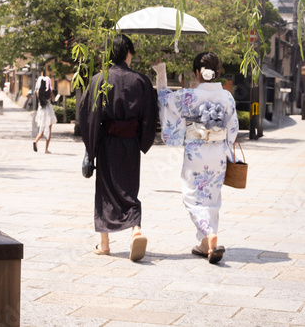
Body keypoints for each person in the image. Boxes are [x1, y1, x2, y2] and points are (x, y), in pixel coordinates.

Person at [153, 52, 239, 264]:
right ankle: (206, 244)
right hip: (218, 152)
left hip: (196, 152)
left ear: (196, 73)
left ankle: (209, 235)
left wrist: (161, 72)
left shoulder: (188, 96)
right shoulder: (227, 96)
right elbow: (233, 129)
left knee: (192, 196)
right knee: (213, 197)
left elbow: (165, 99)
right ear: (217, 72)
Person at [79, 34, 158, 261]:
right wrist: (142, 141)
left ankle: (104, 244)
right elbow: (149, 116)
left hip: (106, 143)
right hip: (131, 143)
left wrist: (90, 150)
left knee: (105, 190)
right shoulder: (141, 81)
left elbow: (89, 117)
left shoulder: (99, 80)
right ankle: (136, 231)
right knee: (129, 189)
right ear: (128, 53)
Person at [33, 76, 57, 154]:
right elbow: (53, 99)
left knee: (42, 129)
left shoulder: (38, 91)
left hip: (41, 111)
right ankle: (46, 149)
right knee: (49, 130)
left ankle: (35, 141)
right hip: (48, 110)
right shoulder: (49, 91)